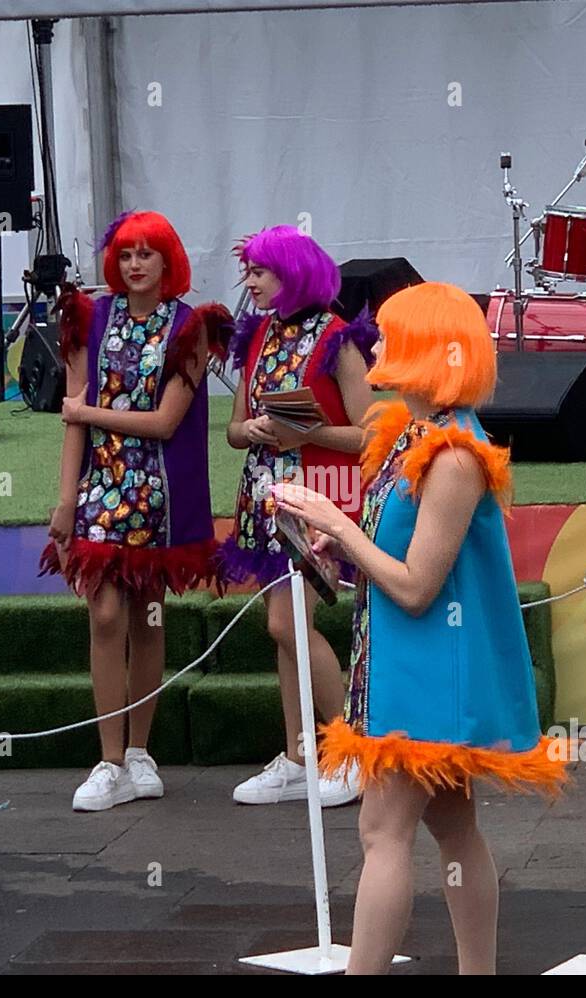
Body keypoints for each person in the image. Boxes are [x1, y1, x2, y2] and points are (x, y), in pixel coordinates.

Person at [272, 281, 571, 974]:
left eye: (389, 332)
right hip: (412, 666)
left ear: (426, 350)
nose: (373, 341)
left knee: (382, 829)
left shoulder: (455, 453)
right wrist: (340, 546)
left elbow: (414, 585)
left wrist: (338, 526)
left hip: (425, 671)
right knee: (453, 826)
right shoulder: (413, 433)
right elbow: (398, 560)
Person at [44, 210, 230, 811]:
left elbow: (164, 422)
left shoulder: (190, 329)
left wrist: (87, 413)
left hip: (160, 496)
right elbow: (73, 418)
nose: (135, 264)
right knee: (104, 615)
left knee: (149, 614)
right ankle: (109, 758)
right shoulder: (89, 318)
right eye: (126, 254)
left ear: (168, 260)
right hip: (101, 489)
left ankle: (141, 752)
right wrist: (66, 499)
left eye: (147, 254)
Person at [219, 225, 376, 807]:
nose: (250, 282)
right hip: (264, 494)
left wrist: (301, 431)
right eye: (249, 271)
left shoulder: (338, 338)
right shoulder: (255, 335)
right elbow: (234, 430)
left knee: (289, 626)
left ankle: (349, 750)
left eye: (260, 271)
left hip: (319, 494)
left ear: (293, 272)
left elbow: (369, 434)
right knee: (282, 631)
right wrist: (254, 429)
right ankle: (297, 754)